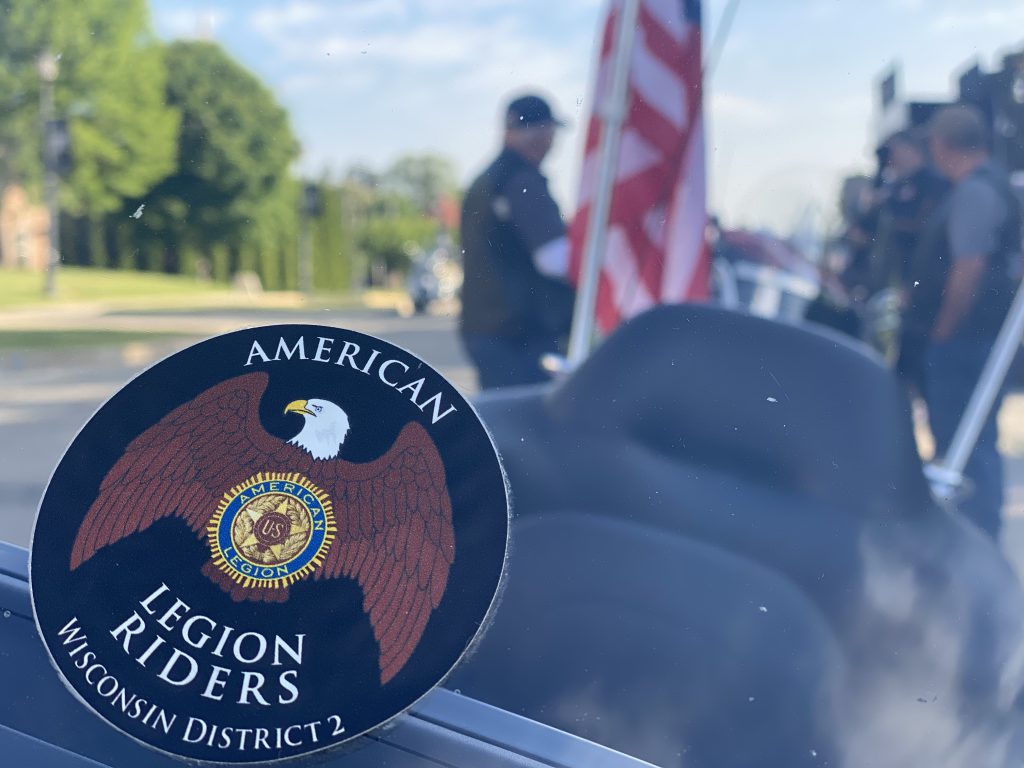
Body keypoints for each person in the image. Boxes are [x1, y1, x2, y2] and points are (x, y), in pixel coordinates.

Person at [907, 104, 1023, 538]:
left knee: (965, 447)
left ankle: (975, 545)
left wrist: (943, 329)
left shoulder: (976, 191)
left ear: (942, 144)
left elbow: (968, 268)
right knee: (969, 444)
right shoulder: (989, 187)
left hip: (964, 341)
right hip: (976, 340)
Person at [458, 94, 576, 389]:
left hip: (488, 329)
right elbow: (555, 260)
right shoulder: (522, 179)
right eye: (550, 132)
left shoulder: (486, 179)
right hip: (521, 335)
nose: (552, 142)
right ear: (542, 130)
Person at [870, 129, 948, 395]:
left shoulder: (933, 183)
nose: (891, 160)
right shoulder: (892, 187)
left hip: (924, 293)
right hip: (899, 293)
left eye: (894, 152)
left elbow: (927, 234)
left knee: (927, 381)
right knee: (899, 381)